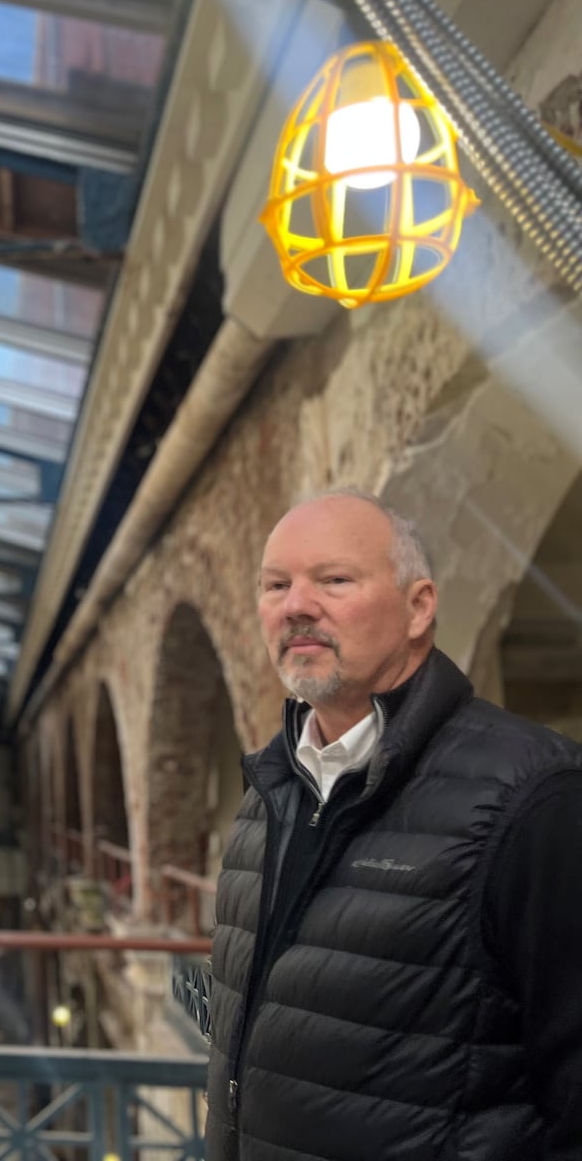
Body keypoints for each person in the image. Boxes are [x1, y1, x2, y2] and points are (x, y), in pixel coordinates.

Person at [206, 490, 582, 1160]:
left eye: (334, 580)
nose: (295, 606)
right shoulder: (266, 792)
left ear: (419, 607)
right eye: (275, 585)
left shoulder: (534, 798)